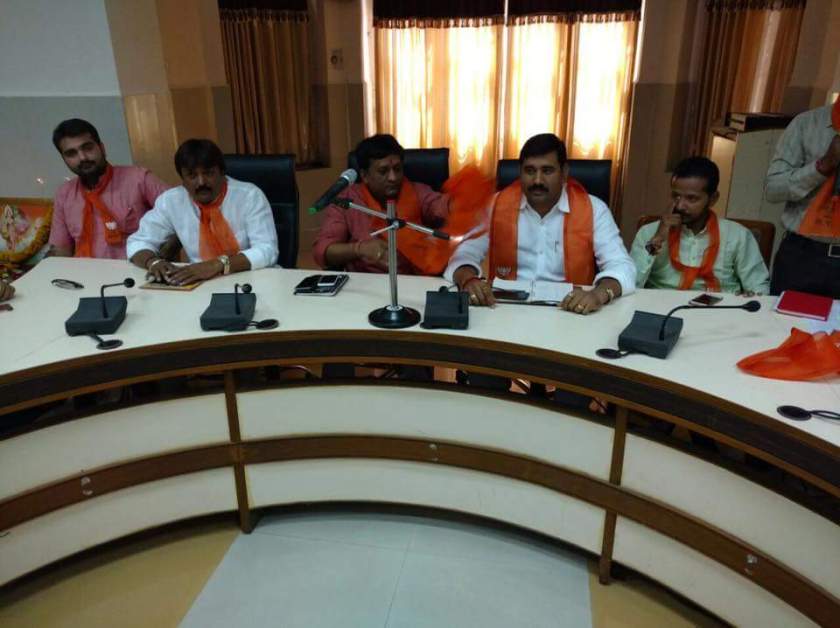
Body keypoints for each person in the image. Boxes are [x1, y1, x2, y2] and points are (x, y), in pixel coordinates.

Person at [445, 133, 635, 314]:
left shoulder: (593, 209)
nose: (537, 180)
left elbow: (621, 266)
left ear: (564, 173)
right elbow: (463, 255)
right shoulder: (495, 205)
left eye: (547, 171)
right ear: (520, 173)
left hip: (571, 311)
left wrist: (598, 295)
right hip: (505, 310)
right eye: (530, 171)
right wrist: (468, 280)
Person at [127, 139, 278, 284]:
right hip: (201, 282)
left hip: (253, 277)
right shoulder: (171, 201)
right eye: (192, 176)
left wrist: (217, 264)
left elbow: (268, 250)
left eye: (208, 173)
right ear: (182, 179)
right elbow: (138, 242)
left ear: (222, 172)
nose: (201, 182)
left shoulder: (249, 196)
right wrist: (153, 262)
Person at [312, 134, 450, 273]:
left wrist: (455, 204)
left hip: (414, 277)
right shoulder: (347, 201)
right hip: (367, 280)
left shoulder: (417, 191)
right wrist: (359, 249)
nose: (393, 178)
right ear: (365, 175)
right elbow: (322, 250)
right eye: (383, 171)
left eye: (397, 169)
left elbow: (444, 206)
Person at [631, 156, 769, 295]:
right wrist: (657, 240)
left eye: (691, 198)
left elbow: (759, 289)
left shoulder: (737, 235)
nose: (680, 205)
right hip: (660, 306)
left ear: (713, 199)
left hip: (719, 306)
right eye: (675, 196)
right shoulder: (649, 232)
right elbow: (630, 283)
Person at [49, 118, 169, 258]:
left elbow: (180, 213)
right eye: (71, 153)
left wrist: (161, 257)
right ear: (64, 159)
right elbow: (61, 250)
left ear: (102, 148)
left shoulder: (139, 179)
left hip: (136, 269)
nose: (82, 158)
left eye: (88, 148)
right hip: (83, 270)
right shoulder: (64, 194)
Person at [765, 97, 840, 297]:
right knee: (785, 317)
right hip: (803, 256)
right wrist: (822, 166)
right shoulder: (806, 124)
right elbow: (773, 189)